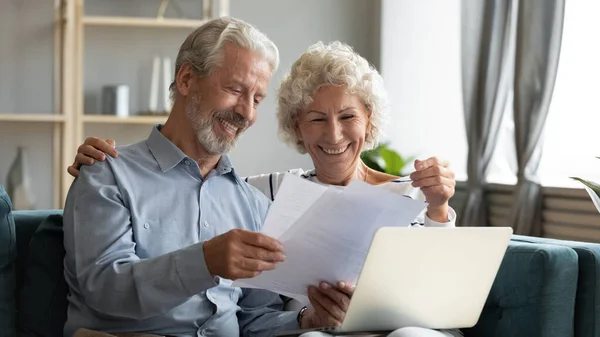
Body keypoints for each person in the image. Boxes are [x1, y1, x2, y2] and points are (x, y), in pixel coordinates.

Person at [67, 34, 462, 337]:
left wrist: (310, 318)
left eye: (256, 97)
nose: (246, 112)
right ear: (186, 78)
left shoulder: (247, 200)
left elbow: (252, 316)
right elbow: (103, 289)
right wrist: (204, 261)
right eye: (236, 90)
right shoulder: (109, 172)